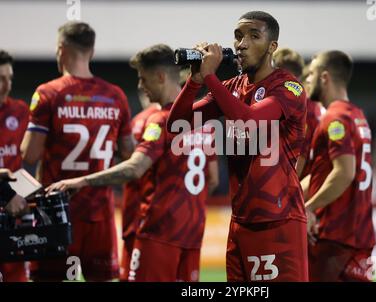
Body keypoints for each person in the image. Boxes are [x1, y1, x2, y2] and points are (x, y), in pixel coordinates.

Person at [46, 44, 219, 282]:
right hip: (192, 234)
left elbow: (135, 168)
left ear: (160, 77)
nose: (140, 86)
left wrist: (82, 180)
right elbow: (213, 179)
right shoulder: (204, 122)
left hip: (157, 233)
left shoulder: (160, 121)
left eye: (143, 78)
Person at [167, 11, 308, 281]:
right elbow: (176, 125)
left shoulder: (289, 87)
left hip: (277, 221)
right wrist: (194, 81)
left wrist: (210, 78)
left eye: (253, 36)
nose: (241, 43)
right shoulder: (232, 86)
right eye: (238, 36)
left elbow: (249, 120)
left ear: (272, 46)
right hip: (240, 222)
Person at [20, 21, 134, 281]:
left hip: (57, 212)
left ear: (61, 49)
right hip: (100, 214)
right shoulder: (116, 96)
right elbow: (128, 154)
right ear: (91, 52)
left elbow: (30, 155)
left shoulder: (48, 93)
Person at [304, 50, 376, 281]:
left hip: (335, 235)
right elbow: (321, 173)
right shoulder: (357, 115)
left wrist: (310, 207)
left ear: (324, 77)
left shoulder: (334, 118)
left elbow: (344, 172)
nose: (308, 79)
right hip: (358, 233)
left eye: (312, 73)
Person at [119, 88, 160, 281]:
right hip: (177, 224)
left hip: (138, 218)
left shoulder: (140, 121)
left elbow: (131, 168)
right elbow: (212, 179)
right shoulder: (188, 119)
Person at [272, 47, 324, 187]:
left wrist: (286, 189)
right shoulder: (308, 105)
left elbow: (300, 156)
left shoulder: (303, 107)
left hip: (298, 186)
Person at [0, 50, 30, 282]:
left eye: (9, 78)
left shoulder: (20, 111)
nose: (6, 85)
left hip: (14, 214)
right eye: (0, 78)